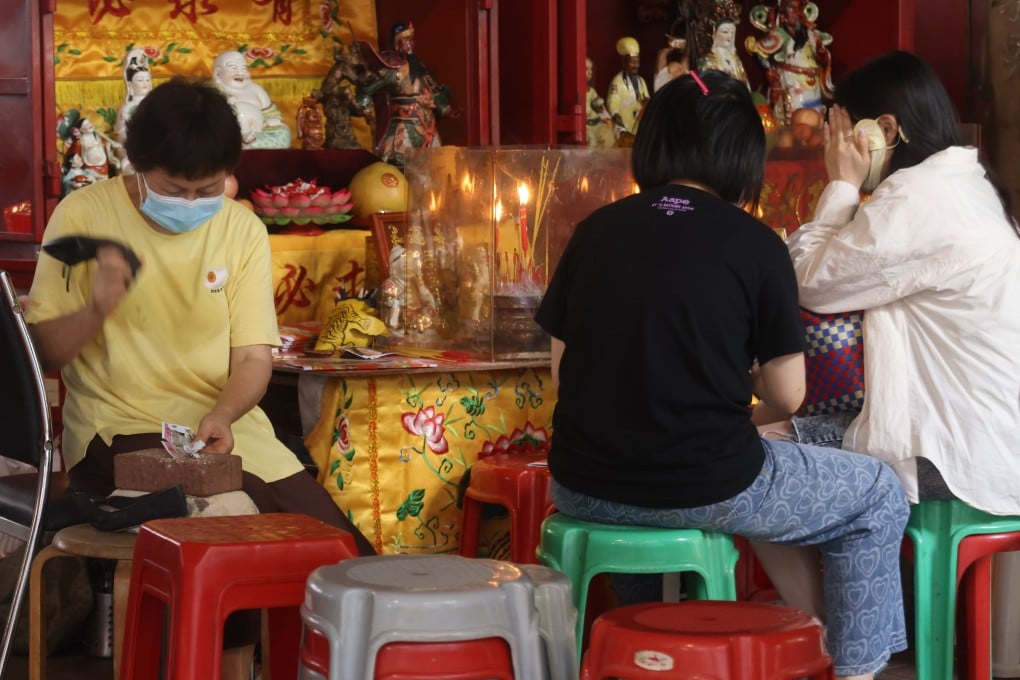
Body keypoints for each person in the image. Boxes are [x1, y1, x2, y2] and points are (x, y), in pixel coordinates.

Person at [535, 70, 909, 680]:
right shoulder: (755, 244)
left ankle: (643, 650)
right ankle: (858, 669)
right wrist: (735, 411)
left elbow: (563, 378)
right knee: (875, 492)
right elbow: (790, 397)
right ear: (742, 157)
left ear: (653, 143)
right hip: (707, 483)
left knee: (661, 486)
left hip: (582, 485)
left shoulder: (593, 233)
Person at [27, 78, 376, 547]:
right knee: (241, 518)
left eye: (207, 189)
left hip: (227, 430)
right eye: (175, 189)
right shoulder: (84, 215)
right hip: (117, 430)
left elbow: (253, 358)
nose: (191, 203)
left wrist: (225, 414)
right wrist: (97, 308)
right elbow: (42, 353)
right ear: (139, 165)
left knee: (339, 547)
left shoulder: (241, 229)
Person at [774, 51, 1020, 515]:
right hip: (989, 440)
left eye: (841, 135)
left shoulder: (918, 197)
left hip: (945, 453)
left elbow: (807, 284)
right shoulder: (967, 182)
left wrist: (843, 185)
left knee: (754, 454)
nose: (834, 148)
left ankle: (810, 593)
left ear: (883, 130)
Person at [355, 22, 453, 169]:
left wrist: (444, 107)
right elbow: (366, 89)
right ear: (397, 43)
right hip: (404, 128)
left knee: (432, 170)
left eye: (411, 40)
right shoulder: (392, 70)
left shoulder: (420, 67)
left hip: (427, 128)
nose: (411, 44)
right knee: (400, 169)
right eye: (406, 40)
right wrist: (366, 107)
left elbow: (434, 88)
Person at [746, 0, 833, 125]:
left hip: (813, 85)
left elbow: (822, 53)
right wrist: (768, 70)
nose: (797, 12)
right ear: (783, 13)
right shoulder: (779, 35)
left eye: (798, 8)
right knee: (797, 122)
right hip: (792, 84)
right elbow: (757, 49)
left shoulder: (811, 34)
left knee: (816, 119)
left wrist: (822, 56)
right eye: (792, 8)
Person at [212, 50, 291, 149]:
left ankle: (250, 143)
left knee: (283, 131)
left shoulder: (256, 89)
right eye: (233, 67)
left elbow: (271, 112)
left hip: (258, 132)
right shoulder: (213, 90)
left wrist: (272, 120)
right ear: (218, 73)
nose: (240, 72)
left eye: (244, 68)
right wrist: (225, 105)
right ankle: (242, 143)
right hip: (227, 133)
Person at [113, 49, 153, 174]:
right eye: (140, 80)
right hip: (135, 151)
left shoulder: (157, 104)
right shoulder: (128, 109)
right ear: (130, 85)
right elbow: (122, 135)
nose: (145, 84)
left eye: (147, 80)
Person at [605, 36, 649, 137]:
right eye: (632, 62)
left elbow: (646, 98)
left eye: (637, 62)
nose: (636, 66)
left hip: (638, 123)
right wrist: (615, 114)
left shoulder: (641, 81)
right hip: (624, 123)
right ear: (624, 62)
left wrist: (646, 102)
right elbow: (613, 102)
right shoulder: (617, 82)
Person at [700, 18, 750, 87]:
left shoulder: (736, 60)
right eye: (725, 32)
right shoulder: (708, 60)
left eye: (732, 32)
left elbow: (745, 82)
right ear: (715, 34)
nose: (730, 36)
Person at [584, 57, 615, 149]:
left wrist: (606, 117)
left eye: (591, 69)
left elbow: (600, 108)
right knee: (591, 141)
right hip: (586, 126)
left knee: (607, 136)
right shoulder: (577, 92)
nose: (590, 72)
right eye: (586, 69)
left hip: (596, 122)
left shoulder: (592, 92)